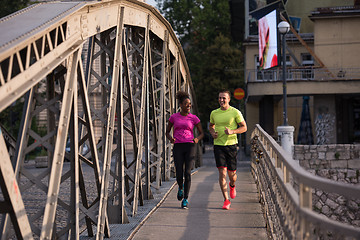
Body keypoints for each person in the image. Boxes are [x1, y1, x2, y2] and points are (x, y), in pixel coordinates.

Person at [209, 90, 247, 210]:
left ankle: (232, 185)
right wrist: (212, 133)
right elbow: (211, 126)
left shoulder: (235, 112)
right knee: (222, 172)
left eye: (224, 98)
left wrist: (232, 131)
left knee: (232, 174)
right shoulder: (214, 113)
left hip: (231, 145)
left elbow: (244, 127)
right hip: (218, 145)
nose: (221, 100)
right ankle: (226, 200)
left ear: (229, 99)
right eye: (220, 98)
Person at [166, 91, 204, 209]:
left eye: (190, 104)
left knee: (187, 173)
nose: (189, 106)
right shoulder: (174, 117)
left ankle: (185, 199)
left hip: (190, 146)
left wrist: (197, 139)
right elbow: (167, 132)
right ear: (181, 105)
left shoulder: (194, 118)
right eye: (186, 104)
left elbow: (202, 133)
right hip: (178, 146)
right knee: (179, 172)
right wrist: (170, 139)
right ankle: (180, 187)